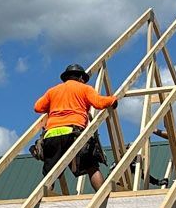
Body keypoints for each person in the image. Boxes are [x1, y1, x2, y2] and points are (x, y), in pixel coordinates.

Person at [33, 64, 118, 193]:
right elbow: (99, 102)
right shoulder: (84, 88)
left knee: (50, 174)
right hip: (74, 133)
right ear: (80, 77)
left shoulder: (53, 91)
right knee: (92, 166)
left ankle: (43, 201)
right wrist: (113, 100)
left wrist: (55, 105)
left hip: (51, 135)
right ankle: (103, 196)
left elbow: (38, 107)